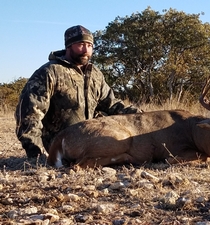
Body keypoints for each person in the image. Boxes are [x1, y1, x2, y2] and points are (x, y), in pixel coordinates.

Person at [15, 25, 139, 158]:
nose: (86, 50)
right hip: (60, 148)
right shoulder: (50, 72)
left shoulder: (95, 74)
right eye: (80, 44)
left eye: (89, 45)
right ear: (68, 46)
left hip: (90, 143)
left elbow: (112, 104)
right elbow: (29, 115)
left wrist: (142, 117)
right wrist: (37, 154)